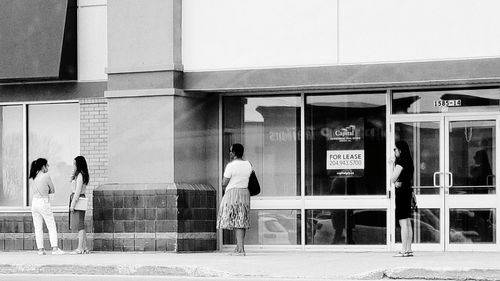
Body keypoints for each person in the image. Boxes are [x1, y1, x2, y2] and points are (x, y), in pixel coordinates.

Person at [216, 143, 252, 256]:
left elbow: (224, 183)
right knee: (242, 220)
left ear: (235, 153)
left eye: (231, 151)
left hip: (233, 193)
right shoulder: (248, 164)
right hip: (245, 193)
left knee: (236, 220)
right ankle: (239, 247)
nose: (230, 153)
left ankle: (240, 249)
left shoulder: (231, 166)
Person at [29, 158, 65, 255]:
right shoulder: (46, 176)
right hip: (43, 202)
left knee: (38, 227)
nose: (48, 167)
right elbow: (53, 190)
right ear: (43, 166)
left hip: (34, 203)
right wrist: (46, 190)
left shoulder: (33, 177)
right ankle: (55, 248)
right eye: (47, 165)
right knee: (51, 225)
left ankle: (40, 250)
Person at [390, 140, 415, 257]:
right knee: (408, 222)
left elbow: (392, 178)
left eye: (395, 149)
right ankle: (409, 249)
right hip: (408, 191)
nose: (394, 151)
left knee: (403, 222)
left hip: (401, 194)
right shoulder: (409, 161)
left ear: (400, 150)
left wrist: (392, 166)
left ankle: (403, 250)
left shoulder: (400, 162)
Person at [69, 156, 90, 254]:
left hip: (78, 199)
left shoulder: (80, 175)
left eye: (75, 164)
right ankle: (85, 248)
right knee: (80, 224)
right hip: (79, 198)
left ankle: (79, 248)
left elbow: (77, 191)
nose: (73, 166)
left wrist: (73, 204)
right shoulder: (80, 174)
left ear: (79, 164)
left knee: (80, 225)